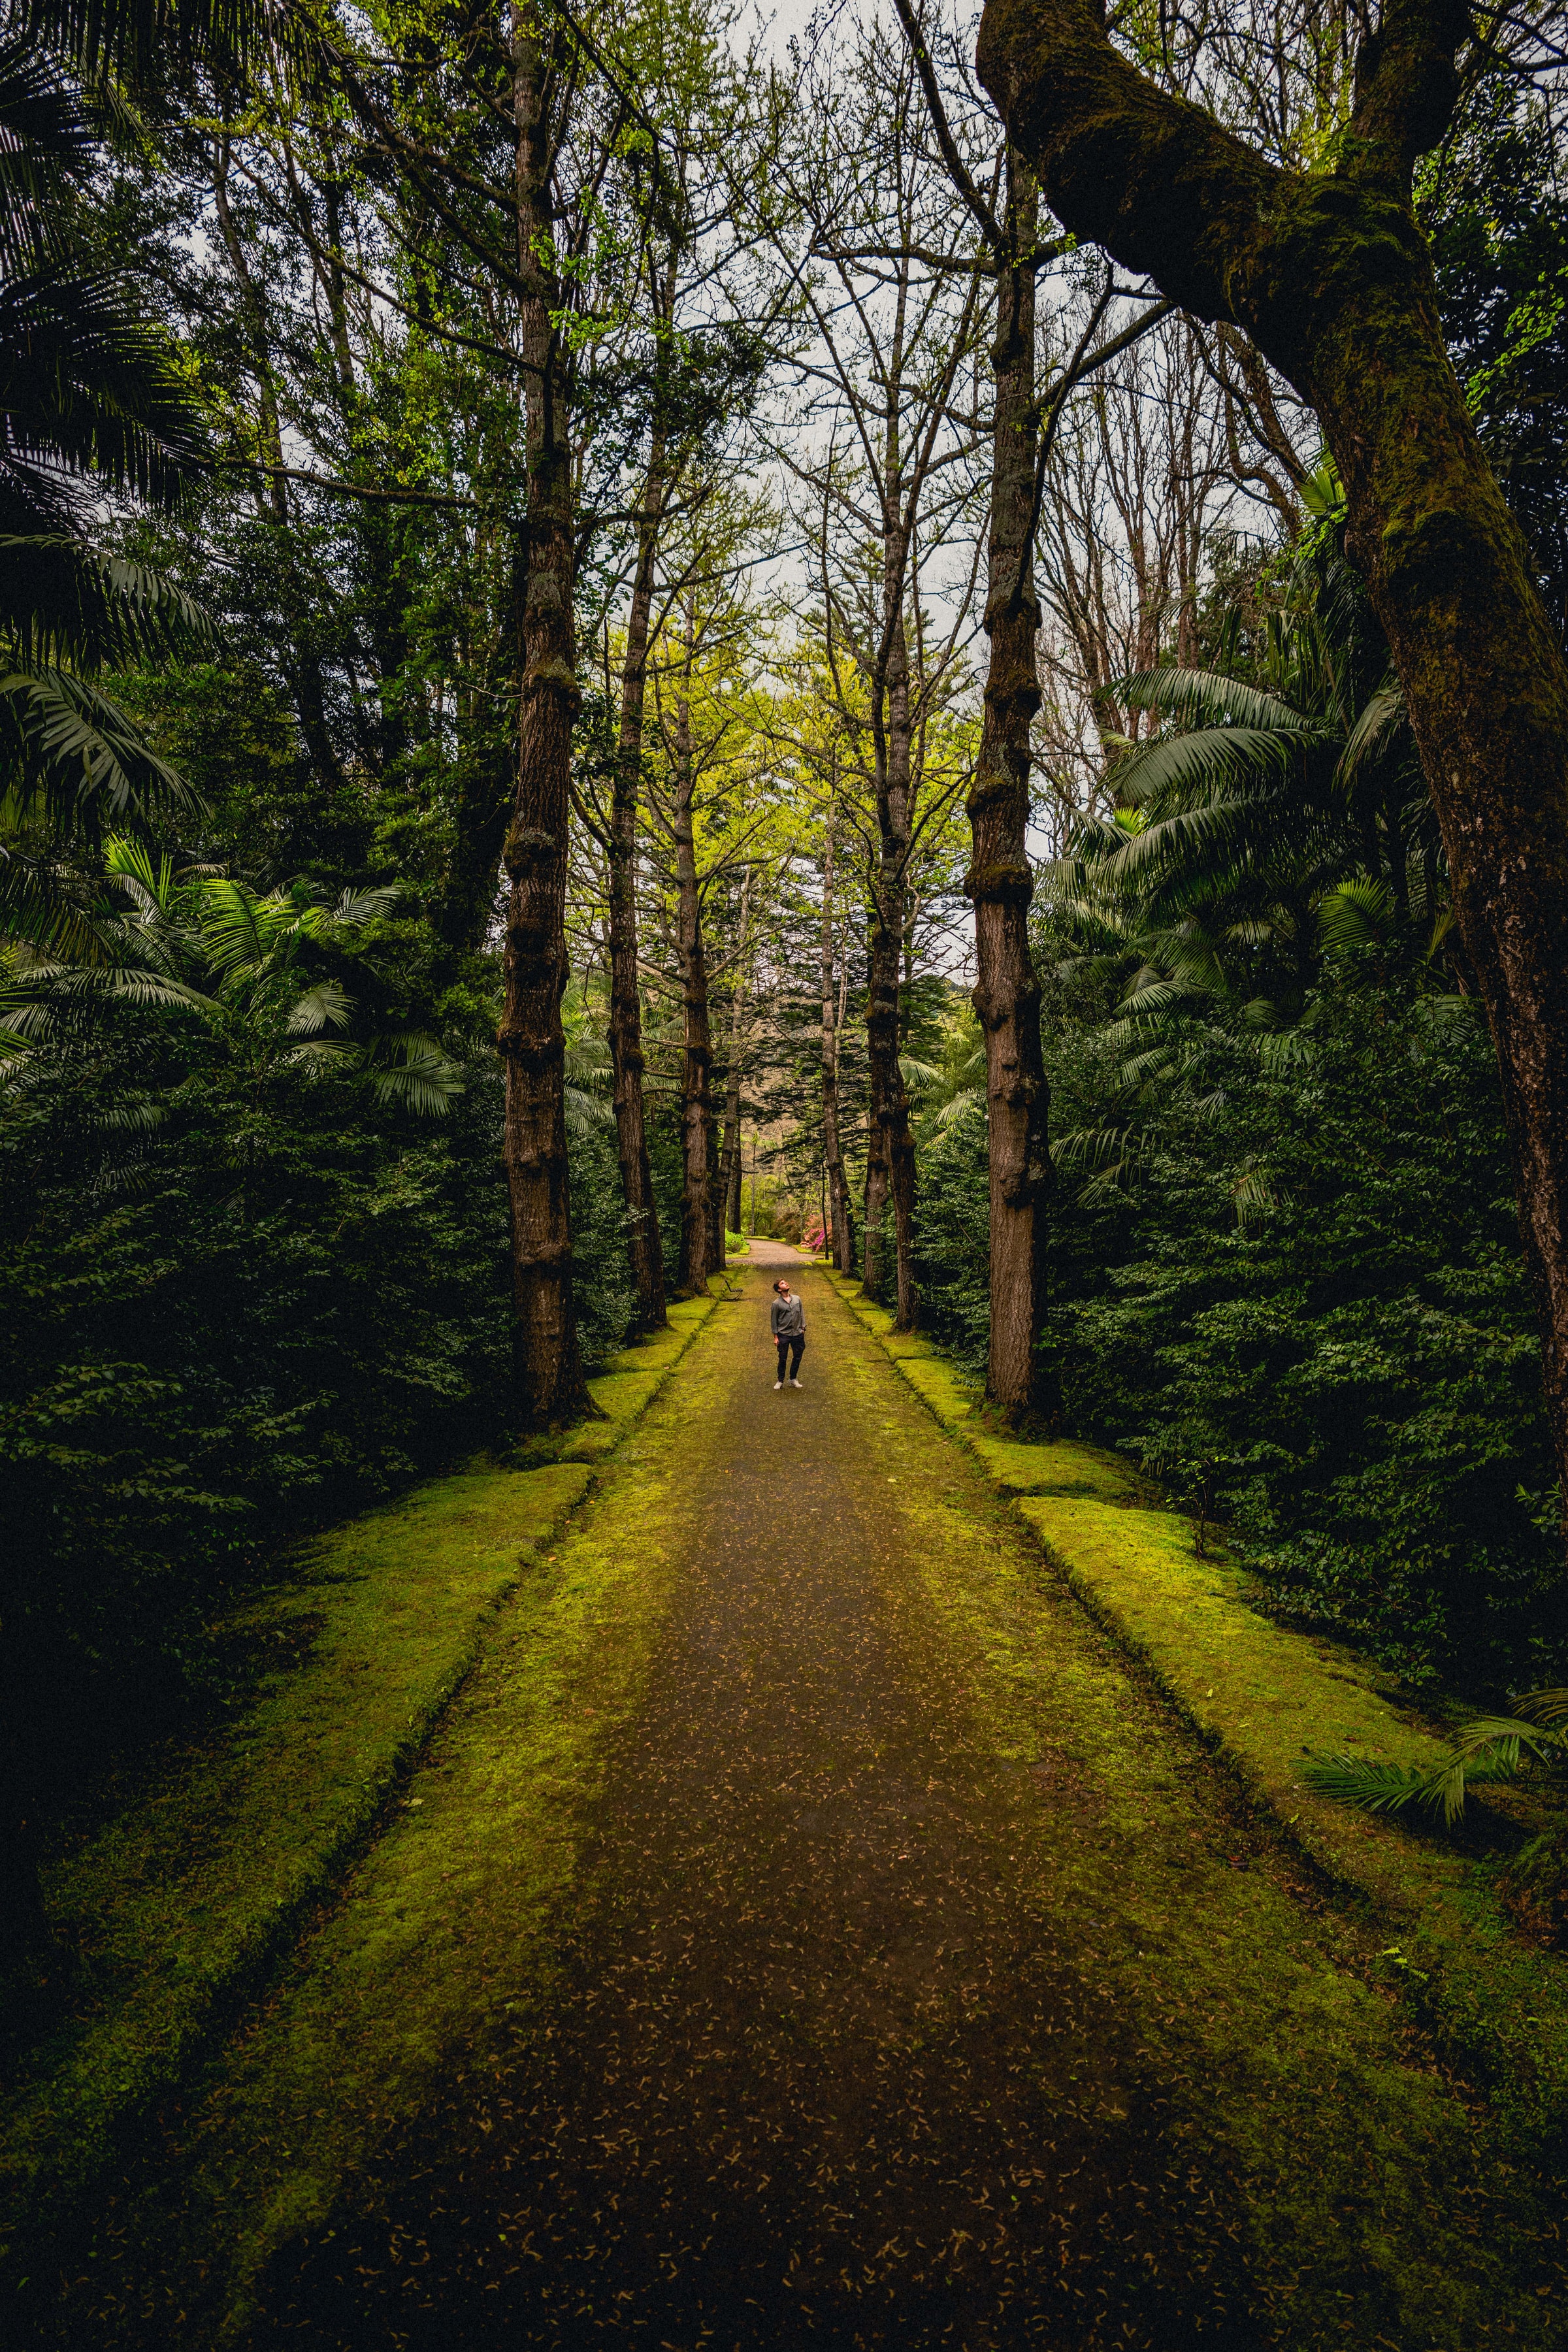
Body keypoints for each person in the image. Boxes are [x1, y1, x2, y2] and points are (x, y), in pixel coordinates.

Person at [770, 1277, 806, 1389]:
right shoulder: (776, 1304)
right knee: (783, 1357)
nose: (786, 1283)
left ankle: (793, 1378)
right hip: (783, 1334)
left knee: (798, 1356)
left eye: (785, 1282)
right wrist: (776, 1337)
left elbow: (802, 1314)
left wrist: (803, 1328)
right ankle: (780, 1380)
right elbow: (774, 1321)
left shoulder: (797, 1299)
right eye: (783, 1283)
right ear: (779, 1289)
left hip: (797, 1333)